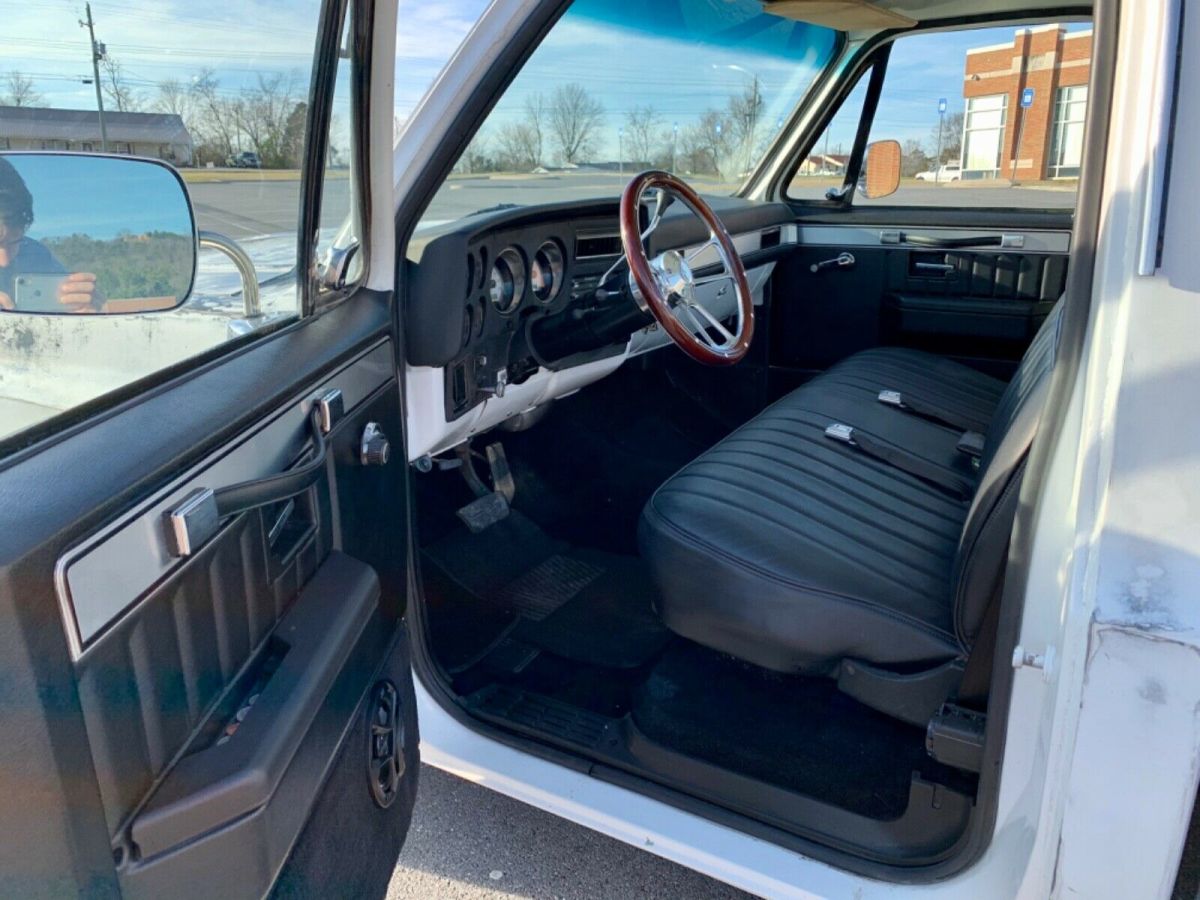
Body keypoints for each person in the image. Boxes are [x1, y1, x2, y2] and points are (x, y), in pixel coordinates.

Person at [0, 156, 99, 312]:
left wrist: (84, 313)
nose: (5, 261)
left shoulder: (36, 256)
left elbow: (64, 315)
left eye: (15, 241)